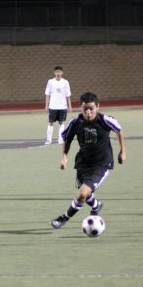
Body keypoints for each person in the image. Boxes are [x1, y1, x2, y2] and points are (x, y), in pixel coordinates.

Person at [50, 91, 125, 229]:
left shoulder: (105, 120)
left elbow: (119, 130)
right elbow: (67, 138)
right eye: (85, 109)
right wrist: (64, 156)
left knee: (82, 194)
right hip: (83, 162)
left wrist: (122, 151)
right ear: (81, 108)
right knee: (84, 191)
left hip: (101, 164)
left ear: (97, 107)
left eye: (91, 108)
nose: (88, 112)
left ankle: (64, 218)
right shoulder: (76, 122)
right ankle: (97, 205)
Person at [44, 65, 72, 145]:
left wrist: (70, 106)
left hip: (62, 106)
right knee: (50, 122)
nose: (58, 73)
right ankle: (49, 140)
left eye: (59, 72)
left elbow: (68, 95)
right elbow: (47, 95)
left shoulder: (65, 82)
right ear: (54, 73)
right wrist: (46, 106)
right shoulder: (50, 82)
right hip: (53, 106)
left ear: (62, 73)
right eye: (56, 72)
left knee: (61, 122)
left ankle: (60, 139)